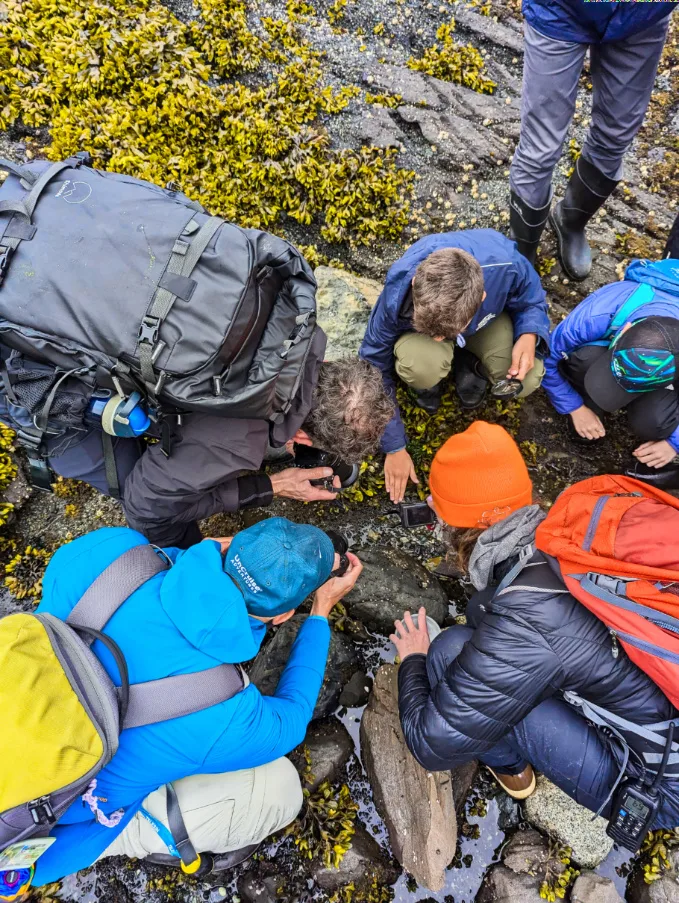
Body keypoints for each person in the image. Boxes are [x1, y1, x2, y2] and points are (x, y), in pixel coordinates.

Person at [25, 517, 363, 889]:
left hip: (21, 712)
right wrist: (321, 611)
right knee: (281, 789)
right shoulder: (226, 713)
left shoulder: (113, 548)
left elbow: (170, 565)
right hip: (39, 823)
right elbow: (293, 718)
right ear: (282, 616)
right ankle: (135, 837)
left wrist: (211, 557)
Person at [392, 422, 679, 826]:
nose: (430, 507)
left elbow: (431, 744)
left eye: (439, 506)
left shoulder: (525, 616)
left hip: (659, 781)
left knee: (448, 651)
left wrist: (413, 660)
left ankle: (514, 772)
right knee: (481, 610)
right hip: (658, 695)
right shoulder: (572, 521)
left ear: (472, 524)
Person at [19, 354, 394, 549]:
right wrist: (274, 486)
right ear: (305, 439)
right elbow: (145, 507)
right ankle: (188, 561)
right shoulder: (232, 441)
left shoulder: (297, 320)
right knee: (162, 519)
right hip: (46, 390)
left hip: (110, 330)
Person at [359, 229, 550, 504]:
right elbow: (373, 366)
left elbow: (532, 297)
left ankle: (471, 366)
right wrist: (394, 446)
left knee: (529, 378)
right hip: (441, 334)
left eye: (445, 333)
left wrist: (530, 334)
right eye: (430, 330)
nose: (437, 338)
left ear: (482, 297)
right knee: (421, 364)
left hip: (485, 324)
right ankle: (428, 379)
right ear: (415, 284)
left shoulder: (506, 264)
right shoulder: (399, 287)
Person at [509, 0, 676, 278]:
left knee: (615, 135)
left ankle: (570, 222)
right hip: (560, 9)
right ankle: (522, 259)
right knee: (539, 151)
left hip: (642, 15)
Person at [542, 263, 679, 488]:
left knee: (654, 423)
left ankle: (647, 404)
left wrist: (674, 443)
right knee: (582, 359)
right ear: (624, 330)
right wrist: (574, 407)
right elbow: (546, 357)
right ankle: (593, 392)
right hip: (606, 341)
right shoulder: (599, 313)